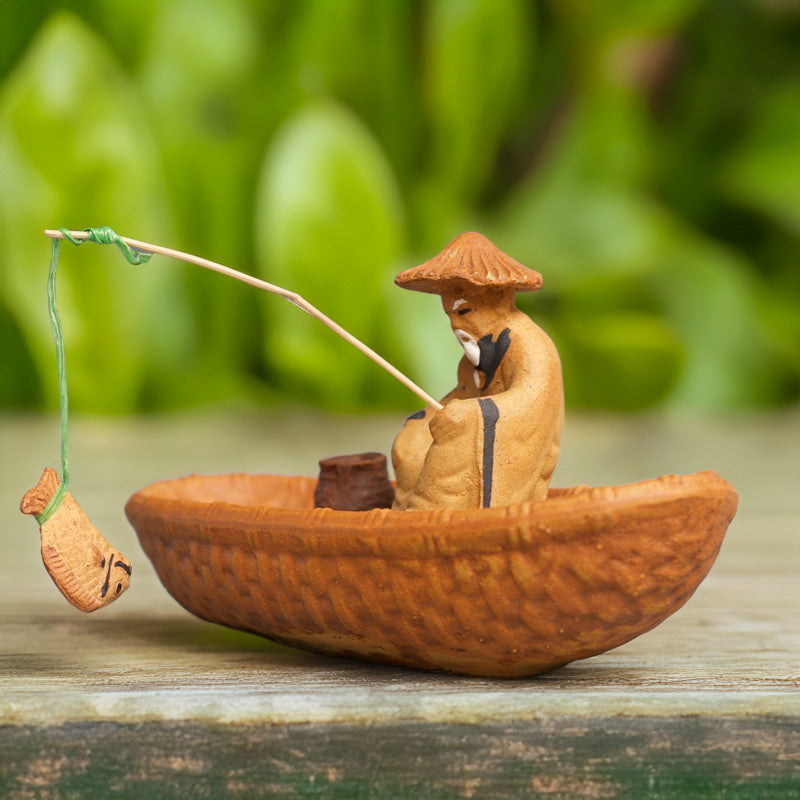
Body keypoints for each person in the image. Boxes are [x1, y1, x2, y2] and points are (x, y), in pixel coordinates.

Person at [391, 232, 563, 510]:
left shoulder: (531, 346)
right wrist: (429, 417)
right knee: (412, 441)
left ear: (497, 301)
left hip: (507, 439)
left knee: (457, 443)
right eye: (449, 315)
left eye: (464, 312)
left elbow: (533, 402)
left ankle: (429, 516)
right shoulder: (475, 355)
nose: (455, 326)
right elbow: (463, 392)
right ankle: (403, 512)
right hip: (475, 420)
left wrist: (472, 415)